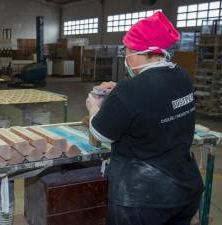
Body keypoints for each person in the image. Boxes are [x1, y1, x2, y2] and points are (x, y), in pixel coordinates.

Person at [86, 12, 204, 225]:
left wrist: (94, 107)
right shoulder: (182, 76)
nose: (126, 56)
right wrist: (119, 96)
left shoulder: (129, 90)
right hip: (185, 189)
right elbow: (155, 104)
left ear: (140, 52)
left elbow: (100, 133)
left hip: (143, 197)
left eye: (127, 51)